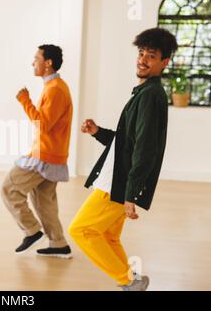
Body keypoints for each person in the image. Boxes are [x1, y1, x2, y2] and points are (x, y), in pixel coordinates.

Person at [68, 28, 178, 291]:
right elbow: (127, 142)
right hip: (119, 179)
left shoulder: (150, 95)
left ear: (165, 62)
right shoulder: (144, 93)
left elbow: (145, 148)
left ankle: (128, 282)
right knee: (107, 236)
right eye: (141, 53)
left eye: (151, 56)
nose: (142, 59)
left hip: (117, 184)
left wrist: (130, 193)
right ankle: (133, 281)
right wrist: (99, 133)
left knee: (81, 230)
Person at [1, 44, 73, 258]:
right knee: (44, 201)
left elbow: (43, 124)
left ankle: (32, 232)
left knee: (9, 188)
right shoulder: (54, 87)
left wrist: (25, 100)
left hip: (46, 155)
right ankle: (58, 243)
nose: (33, 62)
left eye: (36, 58)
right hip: (53, 153)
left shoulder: (56, 89)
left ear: (48, 62)